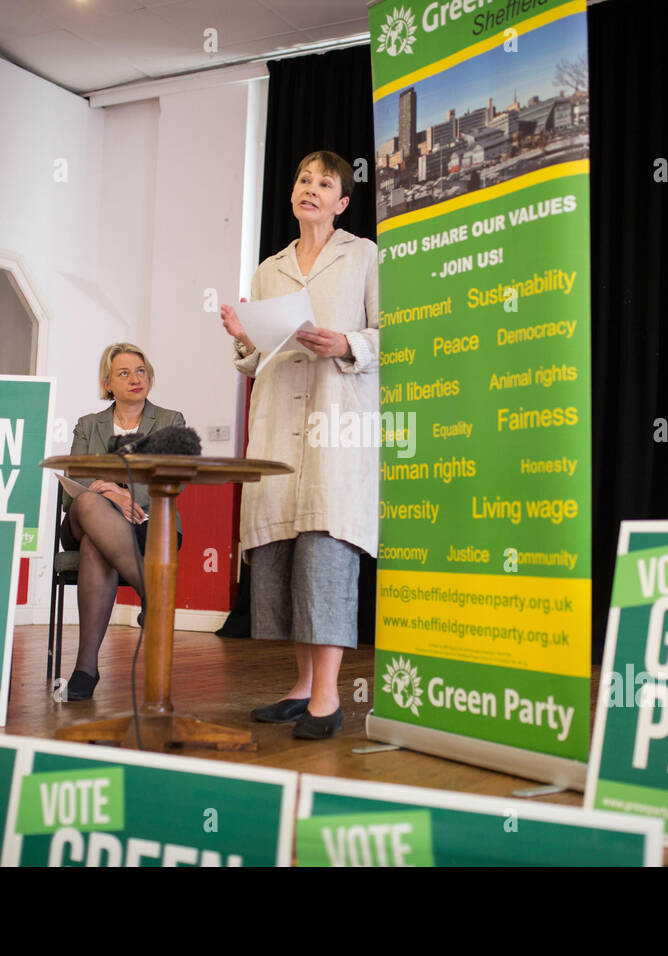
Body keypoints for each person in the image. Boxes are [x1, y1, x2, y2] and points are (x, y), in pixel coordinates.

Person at [219, 150, 379, 739]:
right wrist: (242, 338)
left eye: (324, 183)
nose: (310, 188)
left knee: (325, 557)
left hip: (336, 425)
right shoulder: (269, 269)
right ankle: (302, 685)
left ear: (342, 202)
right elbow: (261, 358)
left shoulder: (363, 256)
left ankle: (329, 698)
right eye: (303, 179)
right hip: (280, 428)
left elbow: (395, 337)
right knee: (286, 558)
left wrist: (346, 344)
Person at [60, 343, 186, 700]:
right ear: (108, 383)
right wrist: (113, 494)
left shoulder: (169, 421)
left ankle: (85, 668)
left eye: (141, 370)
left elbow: (170, 476)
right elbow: (75, 482)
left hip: (150, 523)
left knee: (94, 546)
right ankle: (155, 594)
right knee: (88, 506)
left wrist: (117, 491)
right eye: (124, 373)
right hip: (88, 515)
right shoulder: (88, 425)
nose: (135, 379)